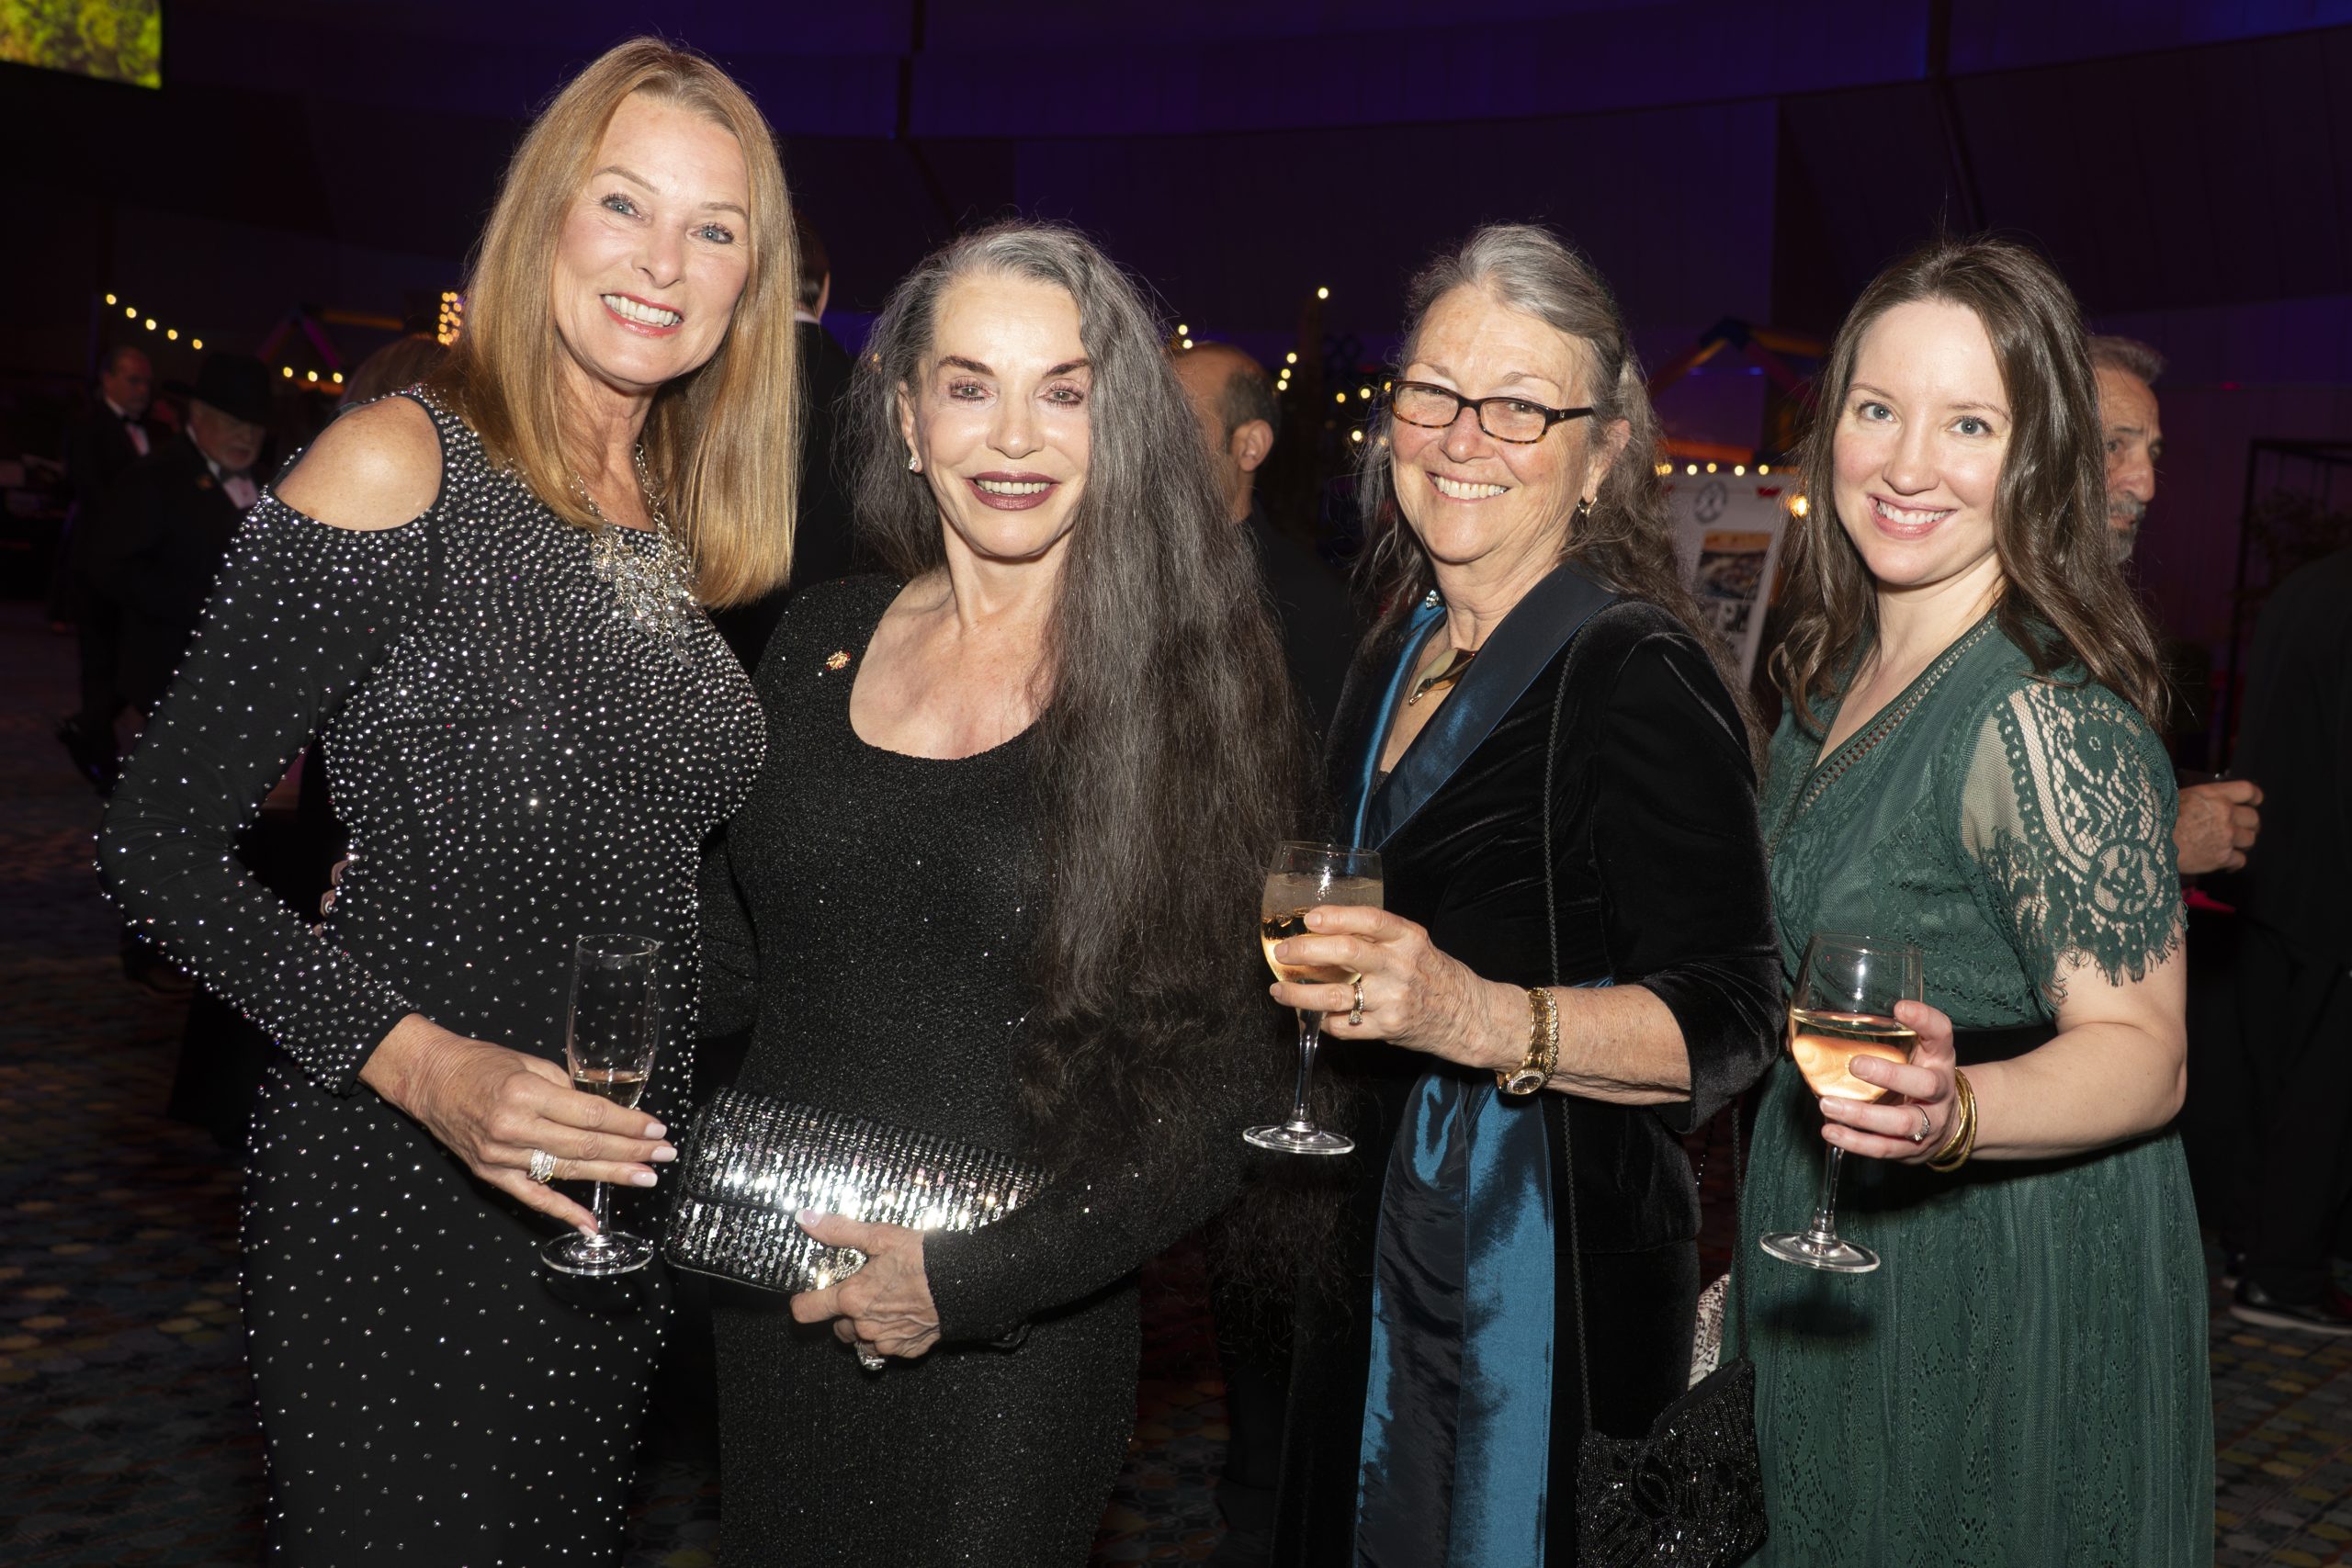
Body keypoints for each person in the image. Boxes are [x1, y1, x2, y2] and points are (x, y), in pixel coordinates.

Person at [97, 39, 797, 1562]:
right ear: (545, 219)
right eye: (624, 204)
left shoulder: (669, 521)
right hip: (398, 1169)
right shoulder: (399, 460)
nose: (663, 262)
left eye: (714, 229)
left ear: (753, 283)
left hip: (604, 1182)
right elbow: (152, 845)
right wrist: (422, 1067)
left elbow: (650, 860)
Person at [699, 220, 1299, 1566]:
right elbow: (729, 965)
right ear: (909, 419)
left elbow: (1229, 1089)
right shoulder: (816, 638)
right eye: (969, 386)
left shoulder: (1181, 686)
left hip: (1011, 1333)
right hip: (777, 1286)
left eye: (1063, 392)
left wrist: (965, 1285)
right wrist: (496, 896)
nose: (1014, 437)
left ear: (1116, 426)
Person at [1267, 224, 1783, 1565]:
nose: (1460, 438)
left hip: (1539, 1268)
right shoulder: (1394, 650)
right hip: (1364, 1225)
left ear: (1601, 451)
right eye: (1433, 393)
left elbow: (1735, 1018)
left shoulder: (1634, 668)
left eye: (1517, 407)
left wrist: (1478, 1015)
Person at [1742, 238, 2210, 1563]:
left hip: (1996, 1266)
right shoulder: (1831, 670)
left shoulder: (2042, 714)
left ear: (2039, 456)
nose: (1907, 463)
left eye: (1968, 425)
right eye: (1876, 409)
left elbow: (2146, 1052)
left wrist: (1955, 1115)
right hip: (1841, 1227)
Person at [2222, 542, 2352, 1332]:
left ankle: (2250, 1244)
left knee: (2264, 1080)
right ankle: (2285, 1277)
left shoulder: (2303, 585)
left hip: (2267, 873)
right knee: (2321, 1095)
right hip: (2333, 891)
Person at [2090, 332, 2264, 874]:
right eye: (2114, 445)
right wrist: (2164, 840)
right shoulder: (1986, 615)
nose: (2146, 484)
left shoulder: (2085, 616)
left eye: (2152, 452)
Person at [1174, 341, 1356, 728]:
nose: (1152, 446)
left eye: (1180, 424)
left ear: (1250, 447)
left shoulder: (1305, 607)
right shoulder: (1105, 574)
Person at [82, 351, 267, 720]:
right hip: (172, 672)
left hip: (245, 679)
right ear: (197, 414)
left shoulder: (272, 482)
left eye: (256, 426)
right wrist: (204, 604)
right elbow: (110, 568)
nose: (247, 436)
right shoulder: (154, 477)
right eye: (234, 422)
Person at [712, 209, 861, 671]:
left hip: (736, 661)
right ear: (825, 288)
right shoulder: (878, 398)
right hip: (853, 655)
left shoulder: (707, 393)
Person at [53, 344, 157, 789]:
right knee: (101, 666)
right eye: (133, 380)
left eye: (146, 381)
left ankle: (86, 731)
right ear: (107, 379)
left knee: (128, 667)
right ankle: (98, 756)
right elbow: (93, 493)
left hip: (133, 570)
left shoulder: (152, 430)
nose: (142, 390)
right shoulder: (88, 426)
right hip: (98, 566)